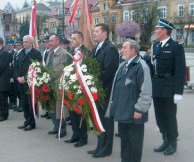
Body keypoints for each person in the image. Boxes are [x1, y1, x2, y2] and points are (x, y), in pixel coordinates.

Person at [105, 39, 152, 162]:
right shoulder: (122, 65)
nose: (121, 50)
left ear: (133, 50)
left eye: (124, 48)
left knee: (135, 143)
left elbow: (146, 91)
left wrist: (140, 109)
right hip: (122, 112)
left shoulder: (142, 66)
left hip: (134, 113)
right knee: (124, 140)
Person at [152, 19, 186, 155]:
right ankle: (165, 140)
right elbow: (152, 66)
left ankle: (172, 142)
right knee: (159, 116)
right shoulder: (156, 46)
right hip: (157, 86)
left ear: (165, 31)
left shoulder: (176, 47)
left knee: (170, 116)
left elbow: (180, 70)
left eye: (157, 29)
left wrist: (178, 92)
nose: (155, 31)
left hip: (169, 87)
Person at [88, 23, 119, 158]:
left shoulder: (110, 48)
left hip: (105, 91)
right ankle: (99, 146)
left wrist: (95, 85)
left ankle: (106, 149)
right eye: (94, 31)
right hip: (96, 90)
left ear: (105, 33)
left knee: (106, 120)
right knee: (98, 120)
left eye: (97, 31)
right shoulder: (97, 48)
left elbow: (108, 71)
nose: (94, 34)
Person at [64, 31, 89, 147]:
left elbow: (88, 69)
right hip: (71, 87)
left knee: (81, 113)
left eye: (74, 39)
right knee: (72, 113)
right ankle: (75, 134)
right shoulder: (70, 52)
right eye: (71, 39)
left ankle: (83, 137)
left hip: (81, 87)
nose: (71, 41)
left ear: (80, 39)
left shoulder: (86, 52)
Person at [46, 34, 71, 138]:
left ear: (57, 41)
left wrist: (47, 73)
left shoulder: (64, 54)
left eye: (52, 41)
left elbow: (62, 68)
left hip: (58, 84)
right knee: (51, 107)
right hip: (49, 83)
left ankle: (62, 129)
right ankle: (56, 127)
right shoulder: (49, 53)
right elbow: (47, 65)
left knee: (59, 108)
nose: (50, 43)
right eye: (49, 41)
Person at [17, 35, 42, 131]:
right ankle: (26, 120)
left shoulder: (36, 53)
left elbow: (37, 68)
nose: (24, 43)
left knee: (30, 103)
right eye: (23, 42)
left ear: (31, 43)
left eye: (26, 42)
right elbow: (16, 67)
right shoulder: (21, 53)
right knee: (24, 103)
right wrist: (18, 77)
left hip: (30, 83)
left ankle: (32, 123)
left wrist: (26, 78)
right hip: (21, 82)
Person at [40, 36, 51, 119]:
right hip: (44, 75)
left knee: (50, 95)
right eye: (45, 43)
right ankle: (47, 110)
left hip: (50, 75)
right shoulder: (44, 52)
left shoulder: (51, 52)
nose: (45, 44)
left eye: (47, 42)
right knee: (45, 94)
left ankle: (51, 111)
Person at [13, 40, 24, 113]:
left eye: (18, 45)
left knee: (21, 92)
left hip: (20, 76)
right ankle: (19, 105)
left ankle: (22, 105)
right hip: (16, 75)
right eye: (16, 45)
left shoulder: (22, 53)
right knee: (17, 91)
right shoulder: (16, 53)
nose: (16, 46)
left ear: (21, 45)